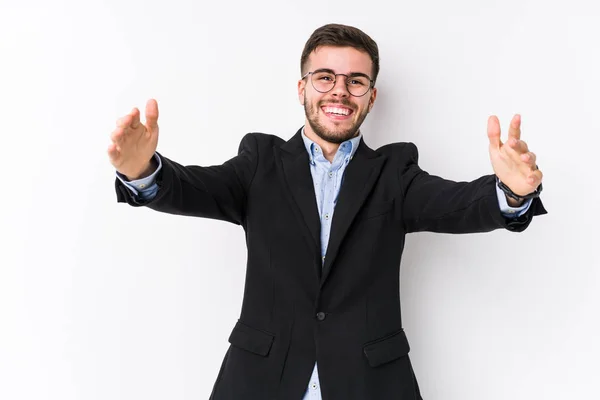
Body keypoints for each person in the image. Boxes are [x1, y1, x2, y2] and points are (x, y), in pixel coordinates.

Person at [108, 23, 546, 400]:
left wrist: (510, 191)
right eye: (325, 77)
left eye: (356, 81)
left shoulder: (394, 171)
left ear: (371, 98)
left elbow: (457, 205)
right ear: (302, 88)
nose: (340, 90)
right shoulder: (260, 160)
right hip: (262, 379)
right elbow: (194, 188)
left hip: (370, 383)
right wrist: (143, 170)